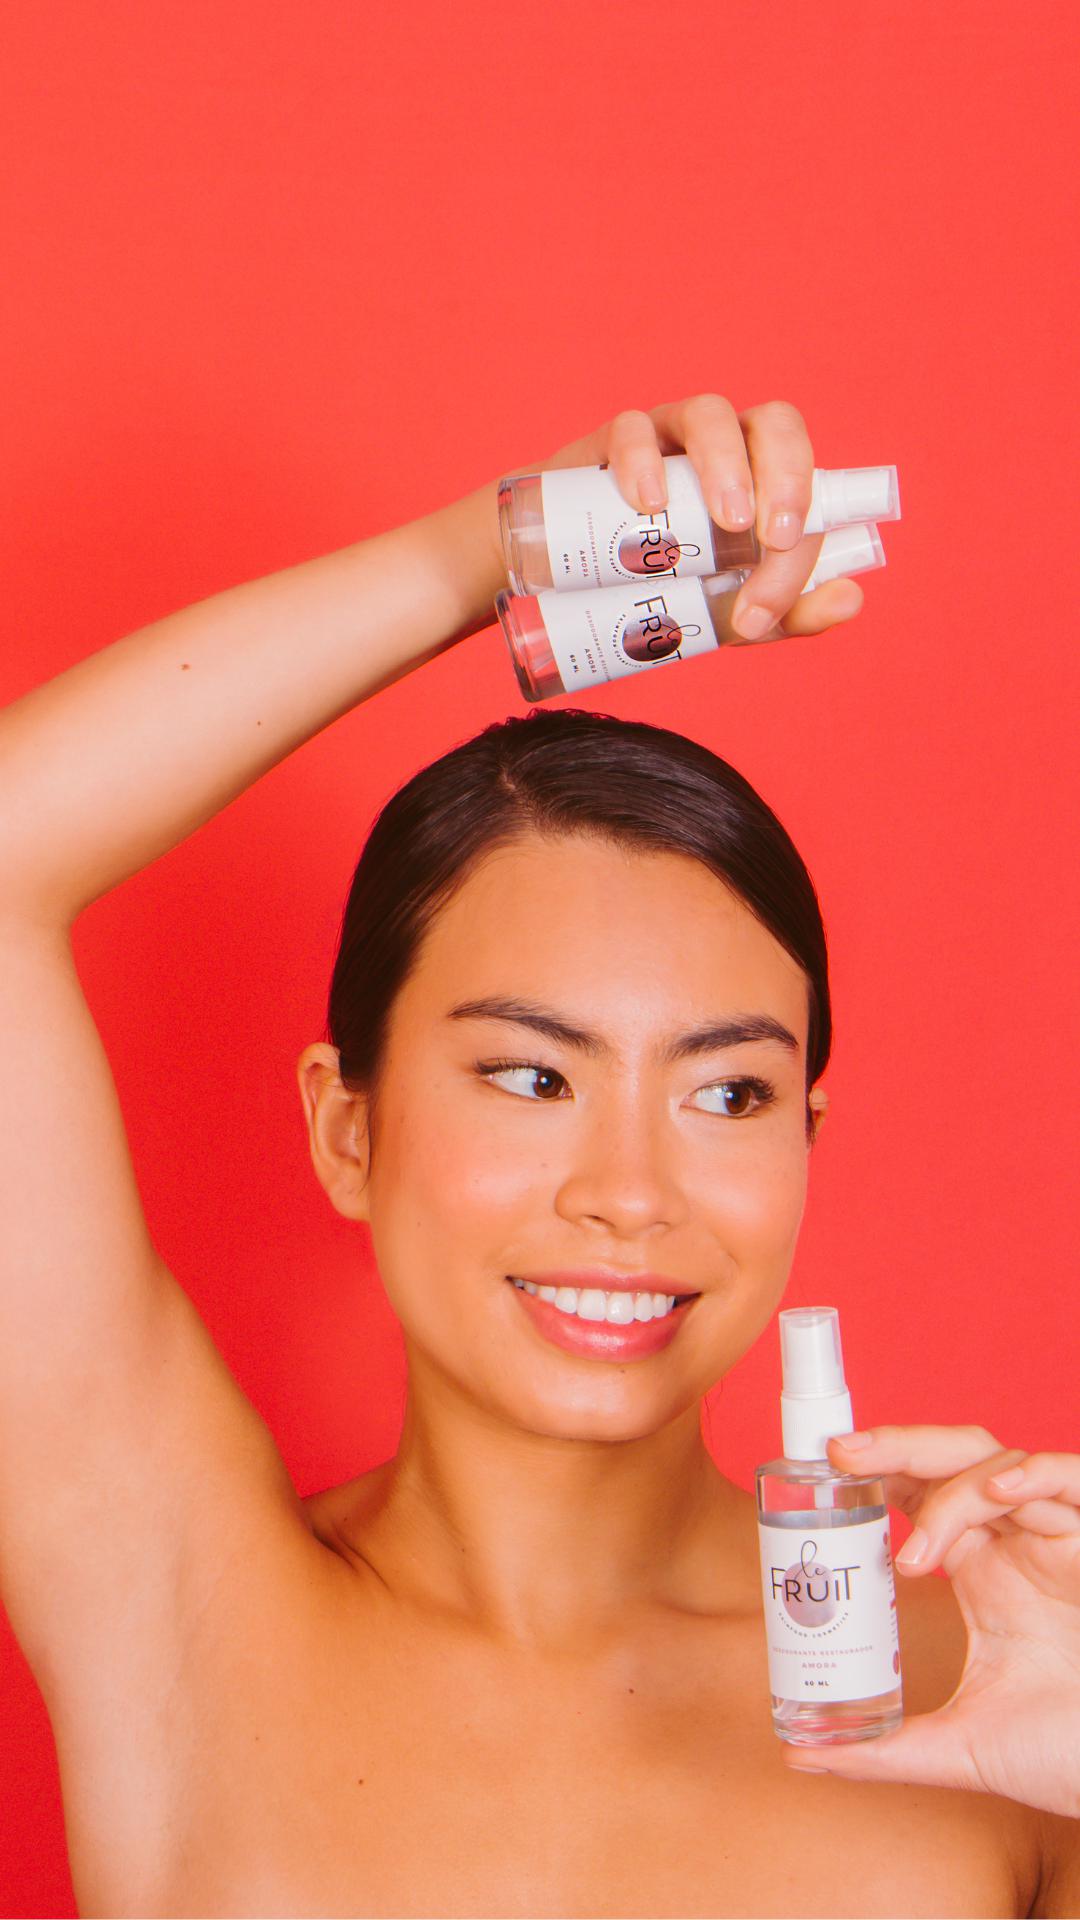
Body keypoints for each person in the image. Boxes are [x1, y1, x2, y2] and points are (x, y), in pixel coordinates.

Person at [0, 394, 1076, 1919]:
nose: (630, 1192)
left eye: (728, 1097)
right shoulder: (176, 1613)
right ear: (345, 1127)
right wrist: (498, 552)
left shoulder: (996, 1705)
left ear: (809, 1141)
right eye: (529, 1074)